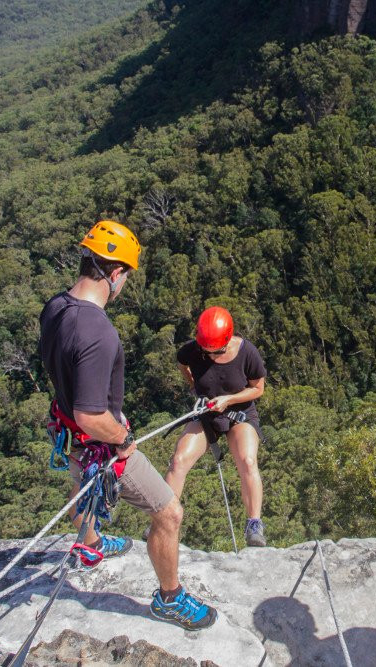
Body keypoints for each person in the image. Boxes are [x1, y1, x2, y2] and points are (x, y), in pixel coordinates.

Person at [38, 220, 217, 630]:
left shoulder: (55, 307)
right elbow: (91, 415)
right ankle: (169, 599)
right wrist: (123, 439)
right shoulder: (98, 331)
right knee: (169, 512)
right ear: (115, 274)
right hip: (96, 438)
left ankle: (90, 545)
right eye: (126, 278)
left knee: (80, 480)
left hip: (64, 430)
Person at [164, 306, 269, 547]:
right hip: (206, 415)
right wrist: (194, 388)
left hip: (239, 413)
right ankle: (164, 519)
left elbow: (258, 389)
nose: (210, 356)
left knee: (248, 461)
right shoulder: (192, 350)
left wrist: (228, 400)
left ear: (228, 339)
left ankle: (254, 523)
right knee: (179, 460)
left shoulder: (247, 352)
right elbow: (183, 365)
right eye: (206, 351)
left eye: (216, 351)